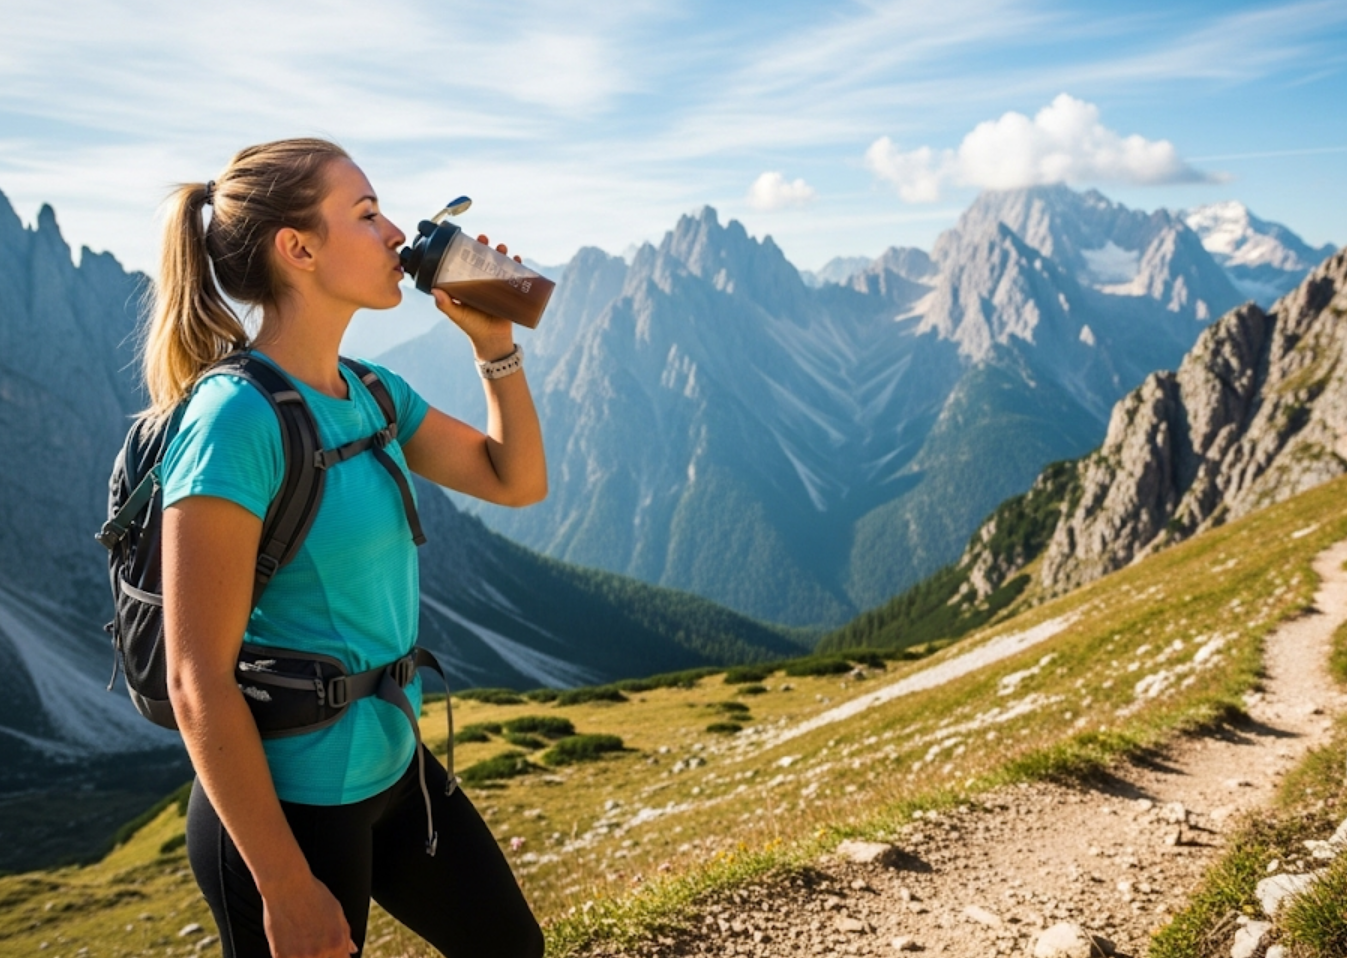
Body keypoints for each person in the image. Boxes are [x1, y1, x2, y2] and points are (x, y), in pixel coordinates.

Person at [145, 137, 547, 958]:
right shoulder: (234, 423)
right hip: (290, 807)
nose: (398, 233)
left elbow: (515, 481)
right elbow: (195, 680)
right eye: (366, 215)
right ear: (297, 249)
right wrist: (285, 887)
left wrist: (492, 344)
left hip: (395, 768)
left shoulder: (372, 392)